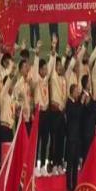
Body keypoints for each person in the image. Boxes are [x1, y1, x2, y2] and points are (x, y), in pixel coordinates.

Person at [33, 39, 57, 176]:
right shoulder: (36, 80)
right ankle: (34, 166)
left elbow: (52, 64)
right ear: (40, 70)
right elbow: (36, 68)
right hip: (39, 113)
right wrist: (37, 53)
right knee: (37, 140)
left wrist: (53, 49)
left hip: (47, 112)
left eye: (46, 69)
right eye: (44, 69)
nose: (46, 71)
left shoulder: (46, 78)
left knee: (45, 139)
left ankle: (42, 165)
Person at [49, 57, 67, 175]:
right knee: (55, 139)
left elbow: (64, 95)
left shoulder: (63, 79)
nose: (60, 67)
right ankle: (54, 164)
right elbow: (53, 66)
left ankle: (60, 163)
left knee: (61, 139)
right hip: (54, 113)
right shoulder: (54, 77)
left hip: (62, 113)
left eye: (61, 65)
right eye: (58, 65)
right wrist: (55, 54)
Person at [65, 84, 82, 191]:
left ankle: (75, 184)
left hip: (77, 136)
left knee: (75, 162)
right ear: (71, 92)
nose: (78, 93)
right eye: (76, 91)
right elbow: (75, 114)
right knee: (70, 163)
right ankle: (69, 185)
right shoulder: (69, 103)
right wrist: (81, 103)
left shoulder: (76, 103)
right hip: (71, 136)